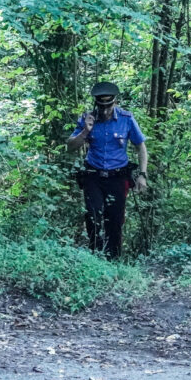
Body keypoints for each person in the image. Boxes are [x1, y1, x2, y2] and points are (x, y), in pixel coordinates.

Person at [66, 81, 148, 258]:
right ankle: (95, 255)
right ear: (96, 103)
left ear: (115, 102)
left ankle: (114, 258)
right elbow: (70, 146)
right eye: (101, 106)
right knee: (93, 215)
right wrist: (85, 132)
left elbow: (140, 146)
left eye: (108, 105)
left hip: (117, 177)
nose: (105, 110)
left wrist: (142, 174)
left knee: (115, 219)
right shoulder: (87, 118)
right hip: (93, 176)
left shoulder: (126, 119)